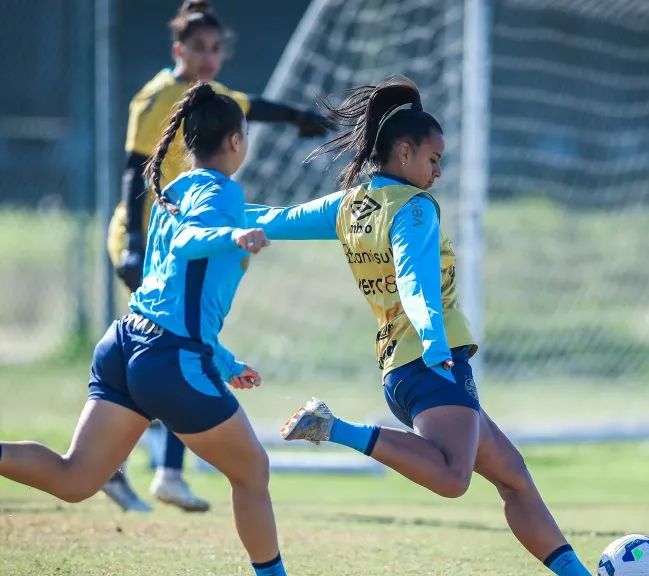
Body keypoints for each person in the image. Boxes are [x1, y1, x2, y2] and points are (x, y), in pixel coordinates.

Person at [0, 82, 291, 576]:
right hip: (167, 358)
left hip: (126, 342)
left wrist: (223, 362)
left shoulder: (177, 188)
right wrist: (234, 234)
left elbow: (171, 293)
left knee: (75, 478)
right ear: (236, 141)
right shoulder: (222, 192)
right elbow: (190, 242)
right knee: (252, 472)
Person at [245, 75, 593, 576]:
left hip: (400, 368)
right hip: (432, 362)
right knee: (453, 478)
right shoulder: (413, 209)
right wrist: (433, 340)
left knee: (513, 477)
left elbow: (276, 219)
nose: (438, 171)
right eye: (433, 159)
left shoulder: (349, 205)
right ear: (404, 152)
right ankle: (334, 427)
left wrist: (213, 218)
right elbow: (413, 282)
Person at [102, 0, 330, 513]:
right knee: (173, 343)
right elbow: (134, 169)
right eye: (198, 48)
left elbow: (253, 106)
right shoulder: (155, 99)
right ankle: (146, 469)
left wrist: (298, 117)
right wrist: (135, 244)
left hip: (182, 236)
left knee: (168, 345)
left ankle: (135, 466)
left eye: (215, 49)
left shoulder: (212, 99)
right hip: (149, 237)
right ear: (178, 50)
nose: (208, 57)